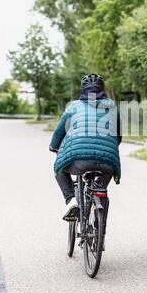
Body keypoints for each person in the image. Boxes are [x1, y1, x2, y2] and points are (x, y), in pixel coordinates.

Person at [50, 74, 121, 221]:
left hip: (79, 161)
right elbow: (118, 135)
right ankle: (99, 224)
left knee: (59, 168)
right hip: (108, 164)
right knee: (100, 189)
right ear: (103, 89)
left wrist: (54, 146)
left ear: (82, 90)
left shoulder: (74, 106)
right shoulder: (112, 106)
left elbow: (59, 130)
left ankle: (71, 200)